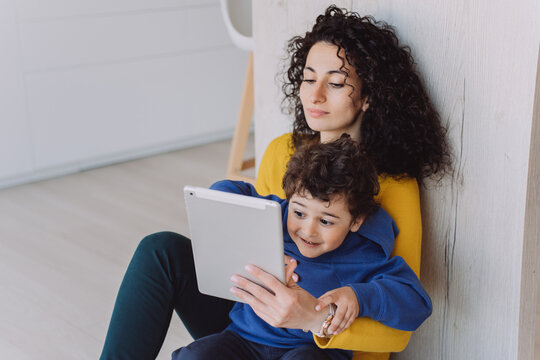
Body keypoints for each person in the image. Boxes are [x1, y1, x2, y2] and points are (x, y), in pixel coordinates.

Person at [100, 5, 451, 360]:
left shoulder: (393, 184)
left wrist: (315, 317)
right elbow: (252, 208)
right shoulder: (285, 150)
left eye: (336, 83)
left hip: (317, 343)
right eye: (309, 78)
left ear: (367, 96)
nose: (314, 95)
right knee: (160, 250)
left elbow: (398, 332)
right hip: (252, 323)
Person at [171, 136, 432, 360]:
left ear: (356, 221)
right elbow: (229, 189)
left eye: (326, 221)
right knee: (195, 355)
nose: (308, 230)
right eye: (299, 212)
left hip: (311, 351)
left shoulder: (363, 252)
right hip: (244, 340)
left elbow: (417, 303)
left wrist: (359, 297)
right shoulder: (276, 217)